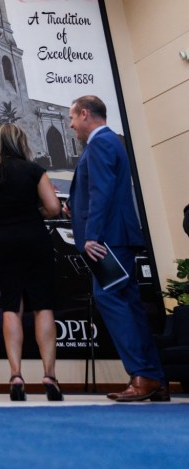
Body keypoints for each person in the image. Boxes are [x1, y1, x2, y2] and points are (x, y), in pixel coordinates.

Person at [68, 95, 169, 402]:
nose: (71, 125)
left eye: (72, 118)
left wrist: (93, 235)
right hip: (117, 237)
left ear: (85, 114)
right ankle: (153, 377)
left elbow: (102, 191)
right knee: (130, 304)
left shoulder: (100, 143)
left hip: (107, 240)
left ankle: (142, 375)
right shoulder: (110, 141)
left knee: (109, 297)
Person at [0, 123, 63, 402]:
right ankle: (49, 376)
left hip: (3, 242)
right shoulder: (34, 170)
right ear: (22, 143)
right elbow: (54, 207)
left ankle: (16, 375)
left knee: (11, 306)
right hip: (35, 238)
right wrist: (34, 212)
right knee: (43, 305)